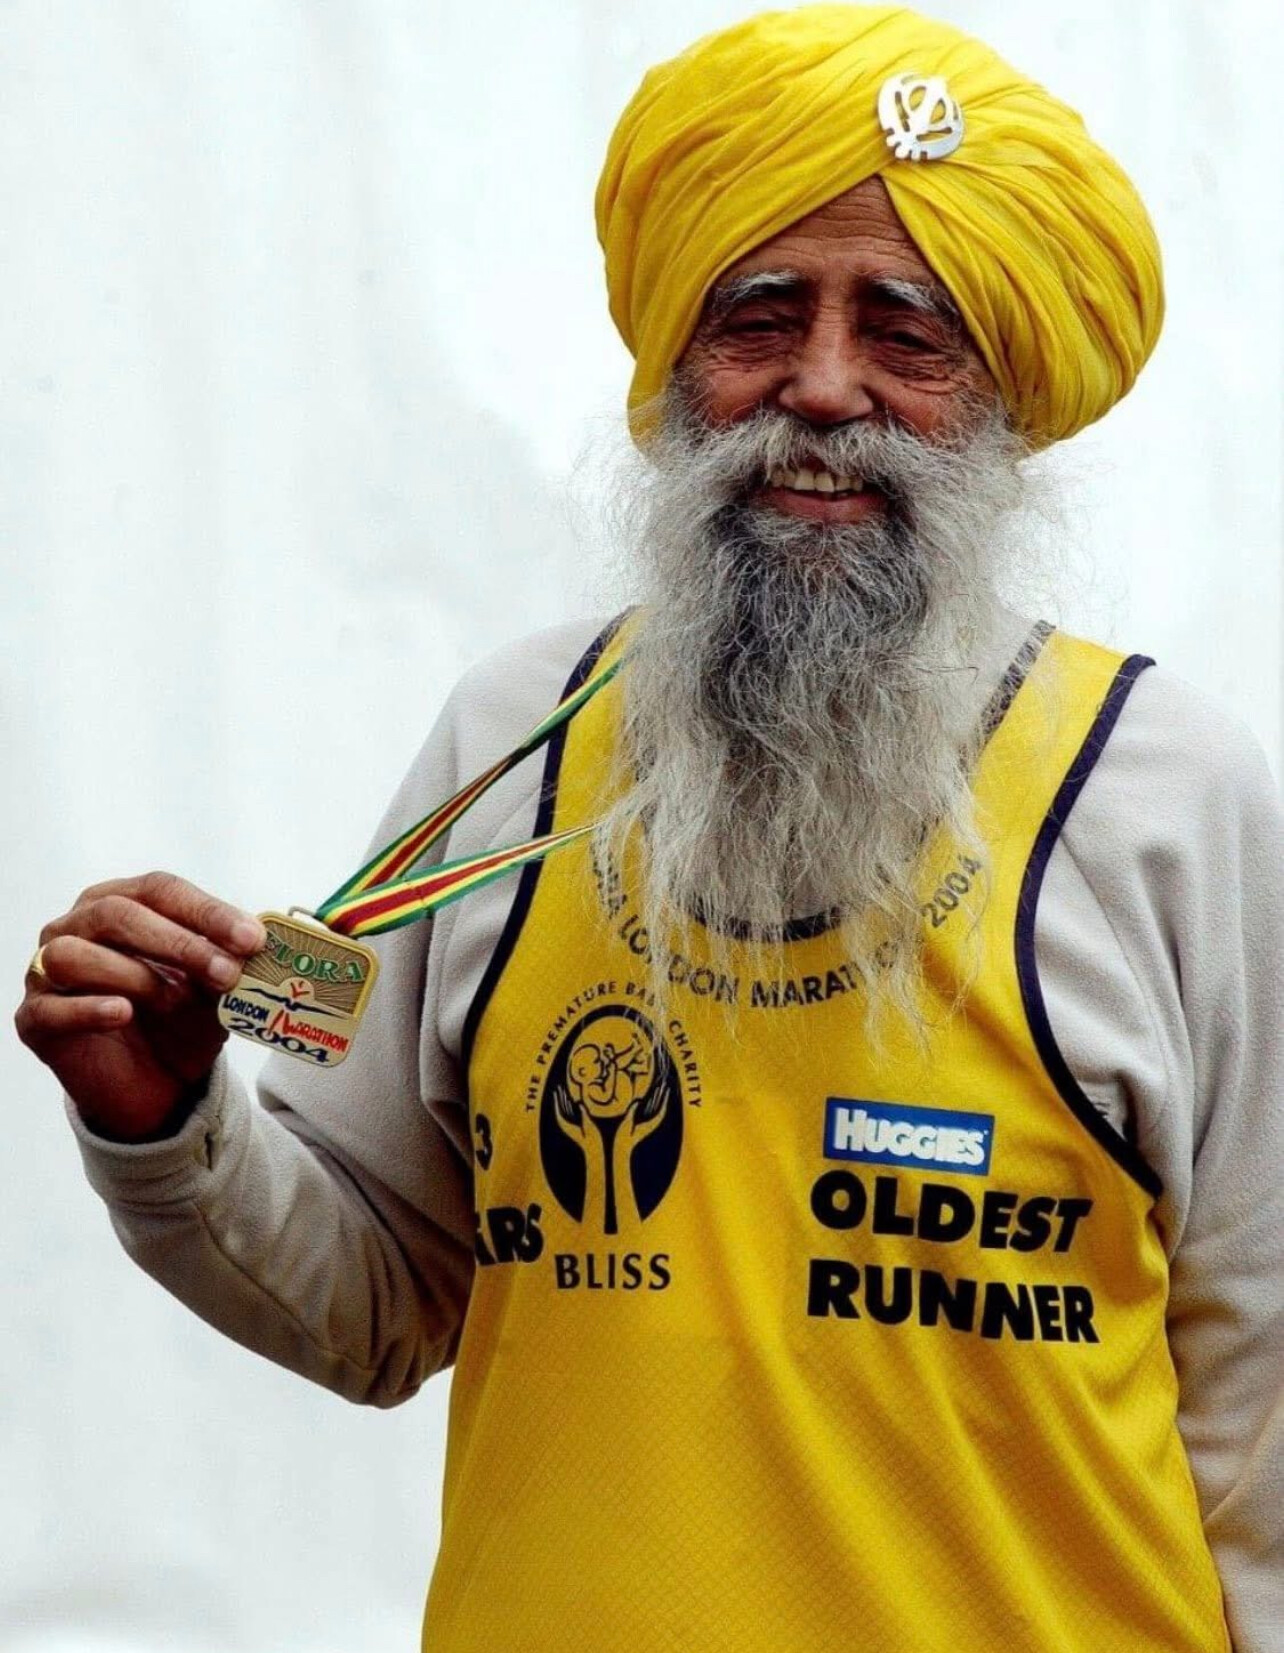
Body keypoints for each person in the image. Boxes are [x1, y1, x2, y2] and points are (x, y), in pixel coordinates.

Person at [15, 6, 1282, 1650]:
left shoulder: (1169, 801)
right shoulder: (513, 747)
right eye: (761, 314)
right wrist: (166, 1122)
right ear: (676, 361)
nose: (822, 386)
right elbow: (378, 1296)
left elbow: (1263, 1410)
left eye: (907, 332)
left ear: (1005, 394)